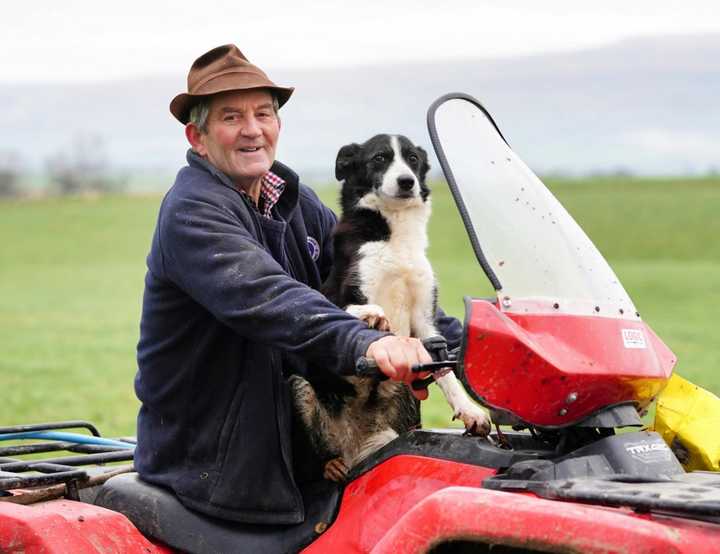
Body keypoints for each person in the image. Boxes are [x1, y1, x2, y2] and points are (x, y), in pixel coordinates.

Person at [134, 44, 462, 525]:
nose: (252, 129)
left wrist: (483, 342)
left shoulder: (296, 203)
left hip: (299, 449)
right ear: (197, 136)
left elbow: (371, 277)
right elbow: (269, 299)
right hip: (218, 467)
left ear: (278, 125)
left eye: (263, 113)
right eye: (231, 117)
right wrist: (370, 345)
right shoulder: (194, 211)